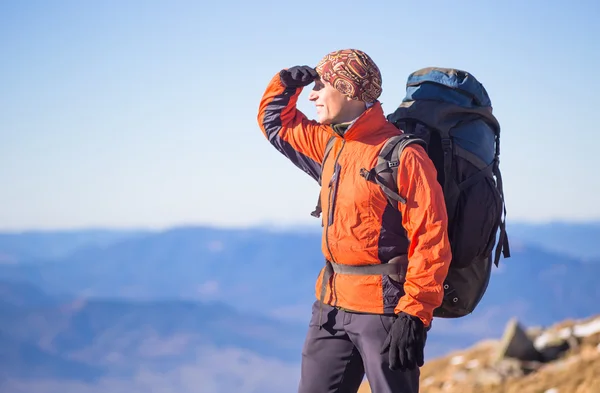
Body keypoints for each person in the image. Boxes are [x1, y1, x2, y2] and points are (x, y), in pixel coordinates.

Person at [256, 49, 452, 393]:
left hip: (386, 312)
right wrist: (286, 83)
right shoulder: (330, 145)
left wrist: (414, 313)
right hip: (330, 309)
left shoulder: (404, 156)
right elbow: (277, 123)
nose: (312, 94)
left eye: (320, 85)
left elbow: (431, 238)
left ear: (348, 90)